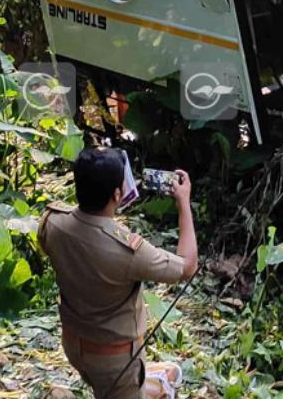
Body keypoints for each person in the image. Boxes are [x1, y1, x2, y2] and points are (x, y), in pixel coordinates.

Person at [38, 148, 198, 398]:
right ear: (116, 194)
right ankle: (155, 385)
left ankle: (149, 384)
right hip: (115, 362)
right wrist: (183, 203)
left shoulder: (52, 221)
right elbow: (187, 266)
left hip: (73, 344)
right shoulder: (129, 250)